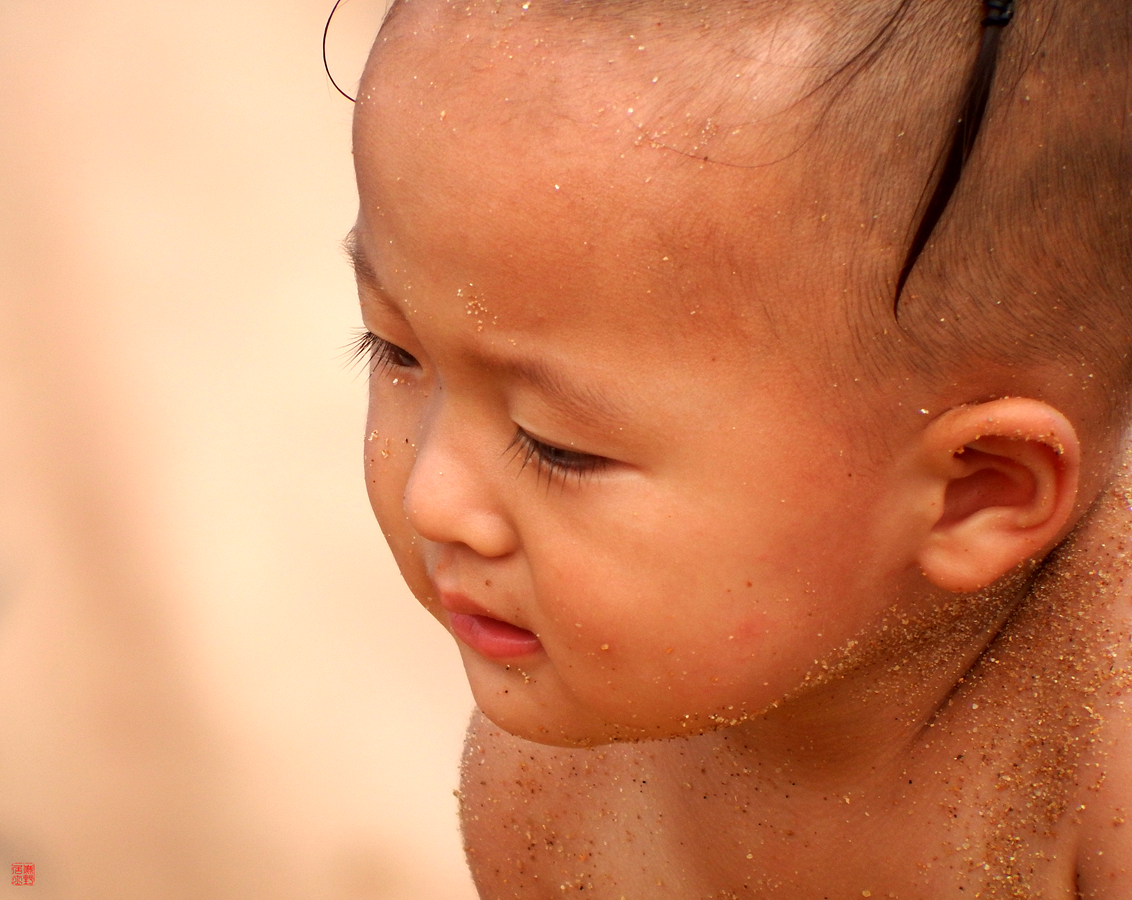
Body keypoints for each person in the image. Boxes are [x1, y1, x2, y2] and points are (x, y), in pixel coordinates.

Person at [345, 0, 1132, 894]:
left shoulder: (1102, 772)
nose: (431, 496)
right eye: (394, 348)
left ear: (974, 491)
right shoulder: (549, 791)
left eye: (556, 446)